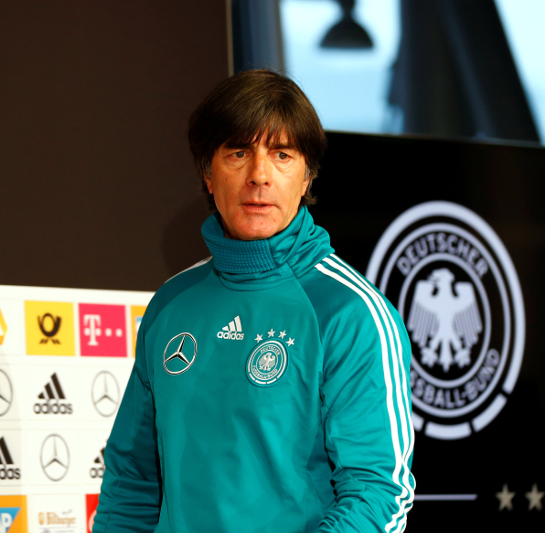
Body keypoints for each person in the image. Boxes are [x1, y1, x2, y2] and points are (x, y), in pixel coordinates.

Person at [92, 70, 415, 532]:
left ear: (307, 176)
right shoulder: (171, 303)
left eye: (282, 155)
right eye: (239, 153)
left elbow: (379, 491)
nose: (259, 175)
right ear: (207, 172)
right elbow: (133, 480)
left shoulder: (351, 311)